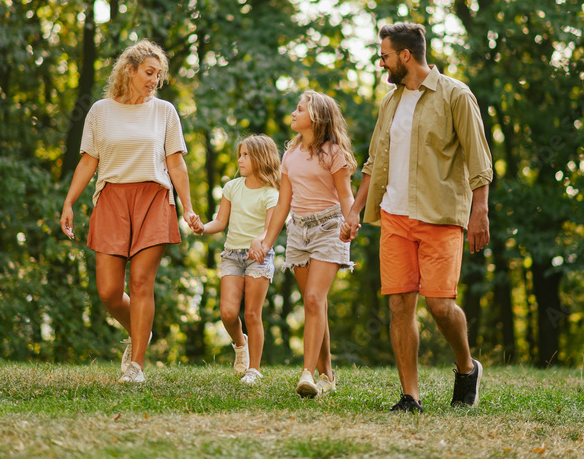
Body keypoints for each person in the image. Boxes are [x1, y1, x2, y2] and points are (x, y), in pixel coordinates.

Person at [341, 22, 493, 413]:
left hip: (439, 216)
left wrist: (480, 213)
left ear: (405, 56)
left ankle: (466, 366)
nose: (381, 63)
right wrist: (356, 209)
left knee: (440, 306)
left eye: (385, 56)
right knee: (398, 306)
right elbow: (375, 162)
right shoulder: (390, 102)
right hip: (394, 216)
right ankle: (411, 396)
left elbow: (479, 159)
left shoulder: (455, 95)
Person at [60, 39, 201, 384]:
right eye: (149, 73)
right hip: (111, 198)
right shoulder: (100, 111)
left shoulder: (164, 111)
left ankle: (136, 365)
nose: (154, 80)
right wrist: (68, 202)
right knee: (108, 291)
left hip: (153, 197)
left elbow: (176, 164)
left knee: (140, 282)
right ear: (130, 70)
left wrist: (188, 206)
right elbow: (88, 161)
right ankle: (140, 330)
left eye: (159, 75)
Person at [248, 90, 356, 399]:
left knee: (312, 299)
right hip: (299, 231)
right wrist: (267, 241)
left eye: (300, 109)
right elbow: (283, 203)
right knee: (314, 304)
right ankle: (327, 375)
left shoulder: (334, 152)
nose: (294, 113)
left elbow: (346, 194)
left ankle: (307, 374)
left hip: (330, 227)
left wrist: (351, 220)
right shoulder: (290, 153)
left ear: (317, 117)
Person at [195, 135, 281, 385]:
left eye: (245, 155)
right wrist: (202, 227)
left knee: (253, 313)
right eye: (239, 154)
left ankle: (254, 369)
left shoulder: (271, 192)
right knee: (228, 313)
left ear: (261, 158)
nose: (240, 159)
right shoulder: (232, 187)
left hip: (258, 256)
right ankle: (240, 344)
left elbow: (270, 229)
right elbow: (220, 222)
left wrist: (260, 241)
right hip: (232, 255)